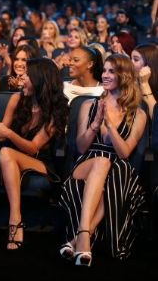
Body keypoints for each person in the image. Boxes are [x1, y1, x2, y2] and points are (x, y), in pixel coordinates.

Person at [0, 58, 68, 250]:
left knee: (6, 152)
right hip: (11, 152)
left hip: (39, 161)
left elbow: (33, 148)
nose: (22, 79)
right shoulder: (17, 99)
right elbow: (2, 131)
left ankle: (16, 218)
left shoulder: (57, 109)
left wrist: (8, 134)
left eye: (27, 76)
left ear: (40, 80)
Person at [58, 54, 147, 266]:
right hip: (88, 161)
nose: (105, 75)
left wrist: (111, 127)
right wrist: (96, 124)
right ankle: (84, 234)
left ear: (124, 76)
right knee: (101, 161)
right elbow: (80, 147)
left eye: (111, 71)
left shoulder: (138, 113)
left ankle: (79, 239)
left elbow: (125, 153)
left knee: (113, 171)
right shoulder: (89, 105)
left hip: (118, 165)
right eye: (104, 70)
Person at [130, 43, 158, 119]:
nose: (130, 63)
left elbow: (155, 119)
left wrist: (144, 84)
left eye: (136, 59)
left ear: (149, 64)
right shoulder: (132, 83)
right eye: (130, 59)